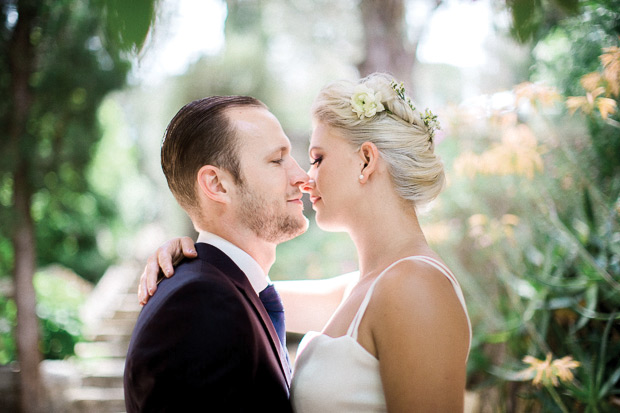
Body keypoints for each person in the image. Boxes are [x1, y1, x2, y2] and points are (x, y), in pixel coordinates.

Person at [140, 73, 472, 412]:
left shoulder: (415, 287)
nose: (305, 178)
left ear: (367, 161)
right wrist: (195, 258)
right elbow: (237, 298)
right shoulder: (359, 289)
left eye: (317, 158)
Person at [123, 95, 310, 412]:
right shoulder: (200, 303)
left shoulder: (228, 292)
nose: (302, 177)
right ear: (217, 184)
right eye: (277, 160)